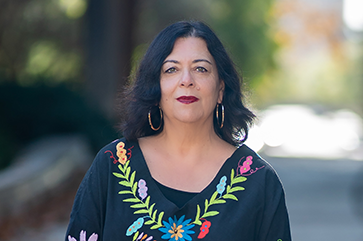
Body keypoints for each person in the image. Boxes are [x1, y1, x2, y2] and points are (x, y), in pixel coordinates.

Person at [65, 21, 291, 241]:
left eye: (200, 69)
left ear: (221, 89)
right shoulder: (113, 165)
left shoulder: (259, 181)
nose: (186, 80)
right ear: (155, 87)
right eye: (171, 69)